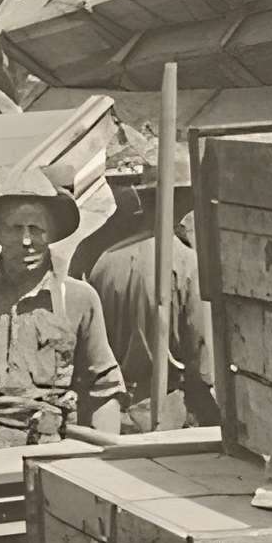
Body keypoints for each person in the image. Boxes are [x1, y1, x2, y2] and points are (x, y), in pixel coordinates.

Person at [0, 165, 121, 449]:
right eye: (15, 229)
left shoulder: (79, 299)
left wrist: (106, 466)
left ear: (52, 234)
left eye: (37, 229)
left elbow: (104, 390)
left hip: (48, 450)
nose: (27, 241)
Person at [84, 172, 220, 430]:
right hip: (165, 410)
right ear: (182, 204)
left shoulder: (104, 261)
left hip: (113, 411)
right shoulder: (187, 264)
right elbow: (202, 358)